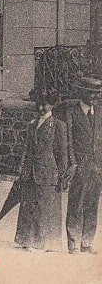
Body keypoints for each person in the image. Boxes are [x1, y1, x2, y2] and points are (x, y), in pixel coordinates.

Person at [15, 89, 71, 252]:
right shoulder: (32, 124)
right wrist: (22, 169)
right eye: (38, 104)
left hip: (49, 172)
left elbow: (62, 152)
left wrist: (63, 175)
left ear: (52, 105)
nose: (40, 107)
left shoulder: (59, 126)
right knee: (29, 205)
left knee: (46, 208)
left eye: (44, 104)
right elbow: (28, 149)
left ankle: (46, 243)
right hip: (31, 171)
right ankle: (27, 240)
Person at [55, 75, 102, 254]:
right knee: (76, 204)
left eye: (98, 94)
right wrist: (72, 163)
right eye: (92, 94)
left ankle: (87, 242)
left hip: (97, 168)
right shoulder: (71, 112)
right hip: (79, 167)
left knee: (92, 205)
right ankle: (73, 243)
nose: (96, 98)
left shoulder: (99, 111)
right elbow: (68, 142)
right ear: (82, 93)